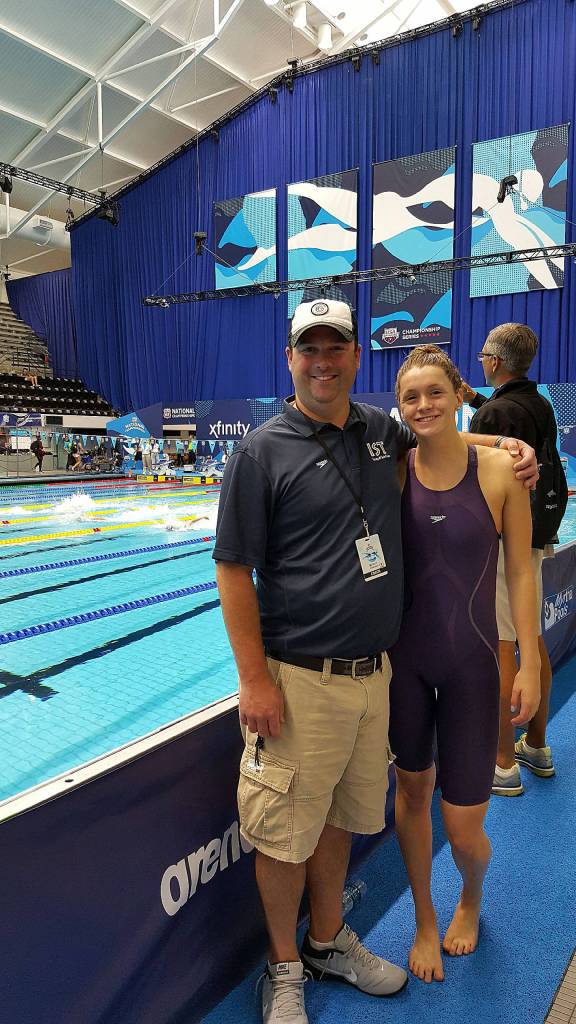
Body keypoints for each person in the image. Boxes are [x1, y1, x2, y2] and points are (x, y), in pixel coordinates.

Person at [213, 300, 539, 1024]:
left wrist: (508, 444)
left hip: (374, 678)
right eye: (309, 349)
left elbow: (442, 430)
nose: (322, 362)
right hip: (300, 679)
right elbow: (232, 569)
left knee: (339, 821)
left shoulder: (376, 432)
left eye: (335, 347)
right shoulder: (260, 452)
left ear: (357, 356)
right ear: (290, 359)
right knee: (286, 836)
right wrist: (254, 679)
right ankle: (284, 968)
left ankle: (327, 941)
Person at [389, 344, 540, 985]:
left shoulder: (501, 473)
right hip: (406, 666)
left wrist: (527, 662)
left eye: (435, 393)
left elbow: (522, 573)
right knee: (412, 793)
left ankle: (470, 897)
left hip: (474, 665)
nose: (424, 405)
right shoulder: (393, 469)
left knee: (463, 827)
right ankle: (425, 917)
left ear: (458, 395)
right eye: (410, 397)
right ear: (400, 408)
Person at [462, 324, 561, 796]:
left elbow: (473, 474)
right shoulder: (537, 404)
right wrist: (473, 399)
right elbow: (505, 418)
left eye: (484, 355)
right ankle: (536, 745)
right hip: (536, 536)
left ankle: (502, 763)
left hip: (503, 544)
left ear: (495, 361)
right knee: (531, 639)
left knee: (502, 648)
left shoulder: (496, 413)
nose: (482, 361)